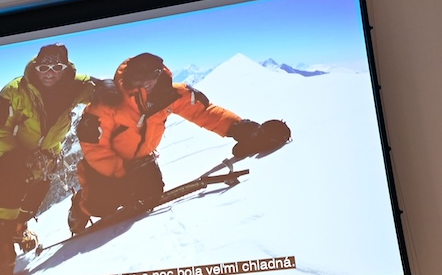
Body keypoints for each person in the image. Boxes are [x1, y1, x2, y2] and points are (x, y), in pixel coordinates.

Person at [69, 51, 290, 233]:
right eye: (139, 76)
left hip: (141, 160)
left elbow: (205, 112)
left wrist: (242, 129)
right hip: (105, 166)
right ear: (128, 78)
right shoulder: (109, 102)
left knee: (150, 194)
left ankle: (125, 193)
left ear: (160, 73)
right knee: (101, 206)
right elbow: (94, 147)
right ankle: (79, 208)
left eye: (152, 75)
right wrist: (120, 176)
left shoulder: (171, 95)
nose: (146, 82)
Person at [0, 43, 95, 275]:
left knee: (36, 194)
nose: (49, 73)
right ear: (36, 67)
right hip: (15, 159)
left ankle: (18, 230)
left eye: (57, 67)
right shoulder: (16, 90)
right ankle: (1, 257)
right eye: (44, 67)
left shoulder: (75, 86)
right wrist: (10, 157)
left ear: (65, 68)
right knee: (8, 199)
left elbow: (95, 89)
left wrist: (109, 88)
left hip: (45, 159)